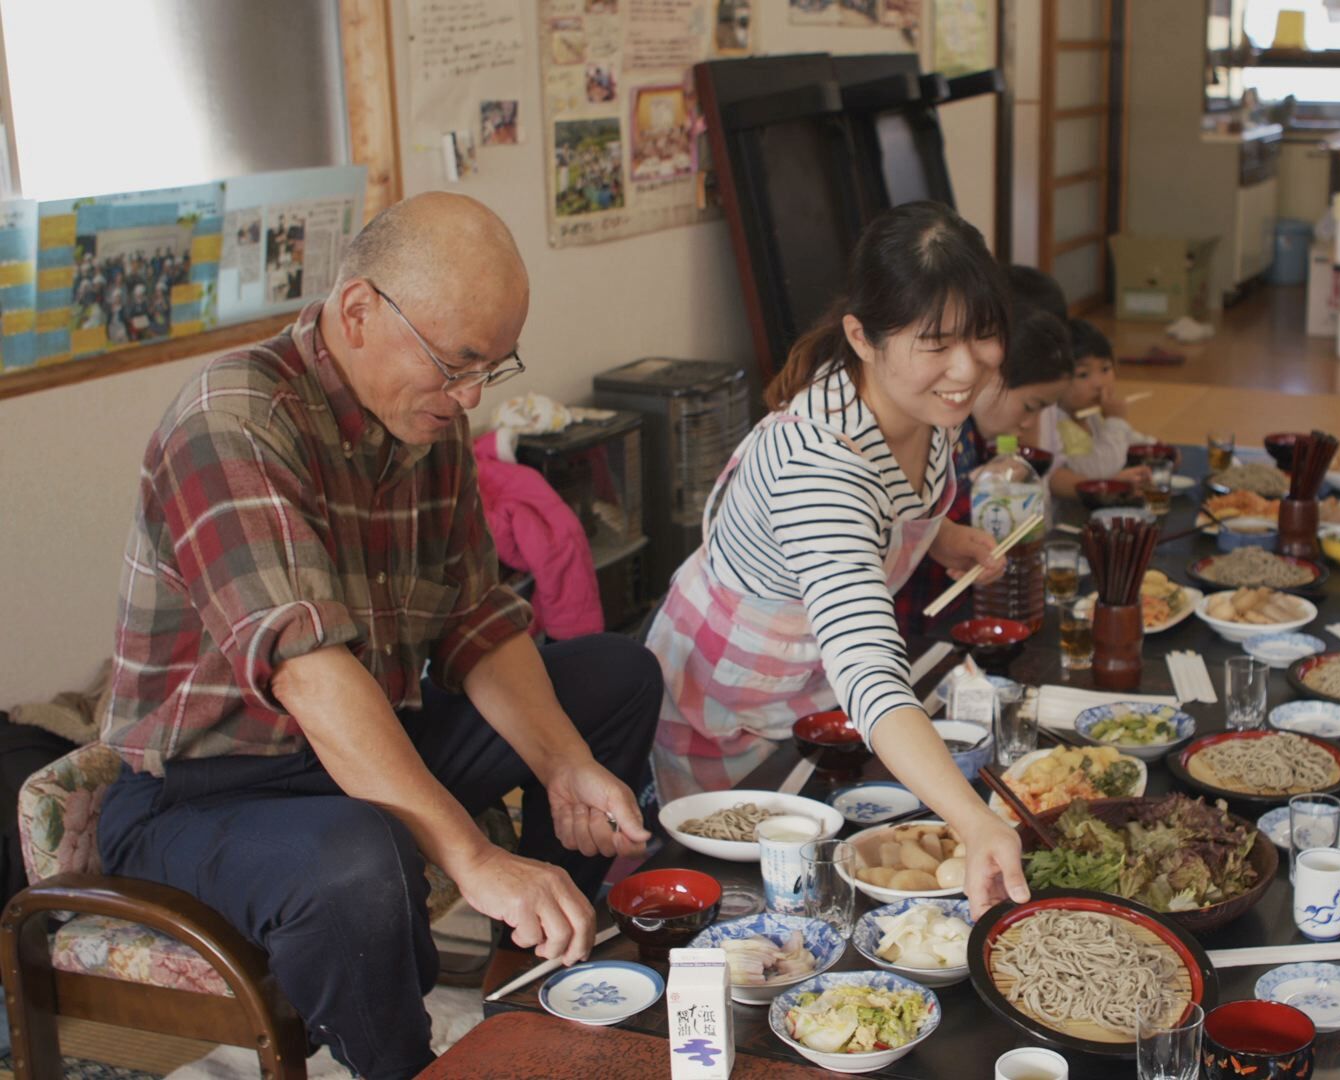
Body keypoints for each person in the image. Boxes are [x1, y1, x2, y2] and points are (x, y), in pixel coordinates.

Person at [97, 193, 663, 1079]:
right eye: (455, 363)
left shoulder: (424, 418)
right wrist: (473, 857)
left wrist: (563, 764)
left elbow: (476, 619)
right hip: (205, 794)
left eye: (491, 365)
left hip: (362, 745)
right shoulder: (233, 421)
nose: (472, 395)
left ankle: (542, 973)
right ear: (358, 311)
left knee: (616, 676)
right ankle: (405, 1068)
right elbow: (311, 676)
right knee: (364, 857)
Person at [646, 201, 1031, 917]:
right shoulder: (817, 466)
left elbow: (888, 511)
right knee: (759, 910)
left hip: (815, 690)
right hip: (731, 713)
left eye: (982, 335)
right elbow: (869, 669)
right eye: (935, 342)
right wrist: (975, 822)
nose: (967, 368)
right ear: (862, 336)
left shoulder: (921, 407)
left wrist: (940, 536)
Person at [896, 305, 1076, 633]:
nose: (1028, 424)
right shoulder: (931, 428)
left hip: (955, 613)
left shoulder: (975, 433)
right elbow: (915, 526)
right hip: (910, 626)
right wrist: (984, 483)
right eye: (1030, 407)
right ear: (993, 373)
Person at [1038, 318, 1155, 498]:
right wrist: (1116, 421)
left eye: (1105, 369)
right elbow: (1099, 470)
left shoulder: (1092, 414)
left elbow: (1128, 440)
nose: (1099, 383)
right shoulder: (1055, 423)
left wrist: (1159, 453)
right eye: (1083, 374)